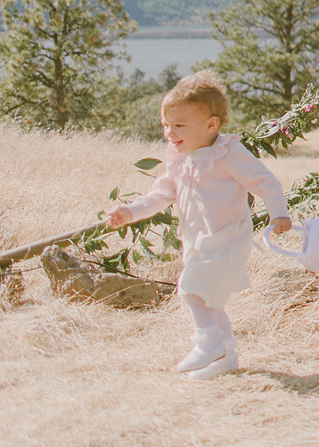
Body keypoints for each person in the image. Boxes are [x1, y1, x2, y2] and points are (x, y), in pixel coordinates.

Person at [106, 71, 292, 381]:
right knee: (210, 298)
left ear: (211, 125)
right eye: (166, 125)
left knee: (191, 289)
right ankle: (225, 357)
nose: (170, 133)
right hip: (197, 239)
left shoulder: (228, 153)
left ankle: (208, 342)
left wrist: (279, 213)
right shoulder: (181, 158)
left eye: (179, 126)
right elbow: (161, 194)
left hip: (227, 236)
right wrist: (130, 212)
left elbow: (265, 182)